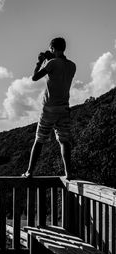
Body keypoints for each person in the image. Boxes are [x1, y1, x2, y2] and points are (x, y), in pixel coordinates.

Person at [22, 37, 76, 180]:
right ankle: (68, 173)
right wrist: (52, 58)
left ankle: (29, 172)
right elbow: (59, 70)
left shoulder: (51, 63)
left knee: (39, 139)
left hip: (49, 109)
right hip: (64, 109)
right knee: (64, 140)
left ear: (52, 48)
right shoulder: (72, 66)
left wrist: (40, 61)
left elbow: (34, 77)